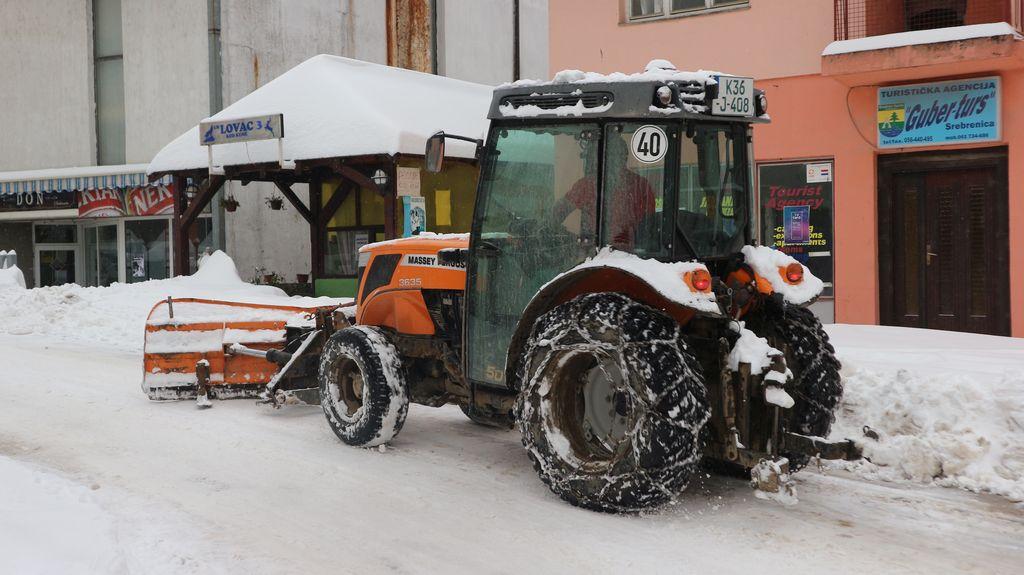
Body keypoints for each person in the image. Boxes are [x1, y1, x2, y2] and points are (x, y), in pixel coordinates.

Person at [553, 165, 656, 249]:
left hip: (621, 252)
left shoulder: (640, 185)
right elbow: (562, 209)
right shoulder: (641, 184)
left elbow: (560, 210)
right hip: (617, 252)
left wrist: (551, 225)